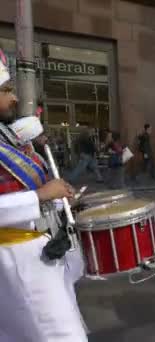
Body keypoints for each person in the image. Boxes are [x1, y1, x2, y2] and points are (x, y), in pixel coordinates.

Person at [0, 61, 88, 341]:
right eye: (6, 90)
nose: (14, 98)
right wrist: (39, 196)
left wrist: (59, 201)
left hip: (35, 253)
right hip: (17, 261)